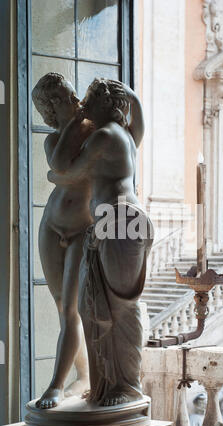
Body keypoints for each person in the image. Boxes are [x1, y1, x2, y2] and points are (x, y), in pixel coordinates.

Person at [49, 78, 153, 406]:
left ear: (105, 105)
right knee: (92, 306)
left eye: (89, 101)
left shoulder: (106, 136)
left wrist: (76, 122)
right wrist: (129, 95)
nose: (83, 106)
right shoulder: (124, 135)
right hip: (114, 221)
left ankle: (127, 387)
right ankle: (111, 383)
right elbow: (140, 122)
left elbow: (64, 169)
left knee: (120, 306)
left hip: (120, 221)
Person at [32, 73, 95, 408]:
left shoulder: (95, 131)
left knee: (71, 308)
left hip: (82, 230)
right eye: (57, 99)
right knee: (62, 307)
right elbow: (61, 165)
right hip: (51, 226)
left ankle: (55, 386)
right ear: (50, 110)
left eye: (68, 92)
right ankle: (84, 376)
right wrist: (71, 123)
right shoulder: (53, 138)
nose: (69, 98)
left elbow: (66, 171)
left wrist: (59, 175)